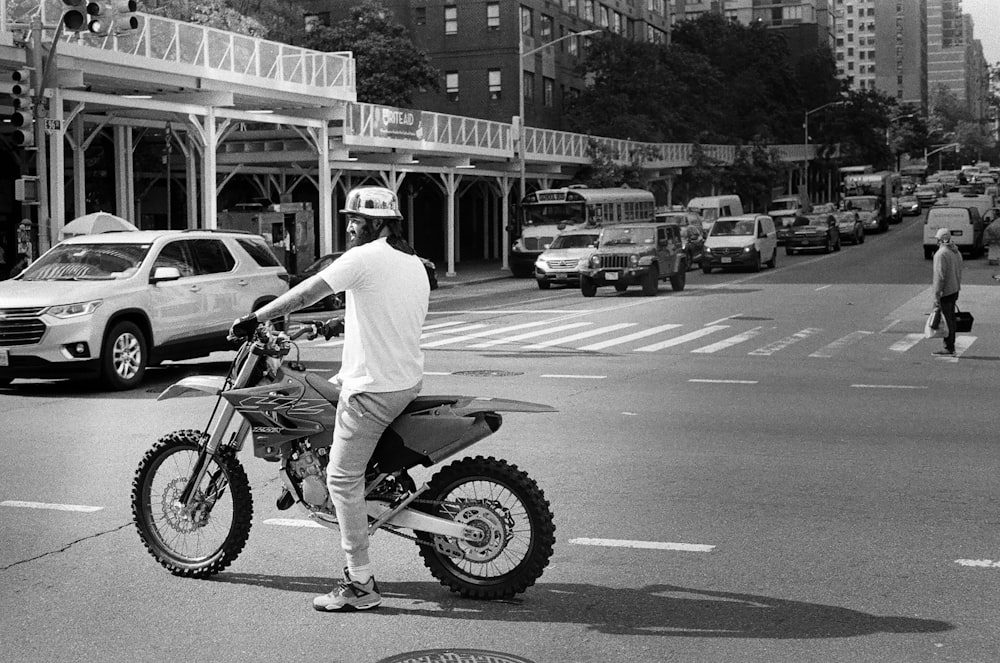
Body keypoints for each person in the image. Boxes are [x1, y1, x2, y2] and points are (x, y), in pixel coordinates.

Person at [229, 186, 430, 611]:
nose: (349, 225)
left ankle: (361, 583)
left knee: (340, 479)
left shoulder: (362, 257)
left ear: (378, 223)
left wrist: (254, 319)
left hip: (373, 389)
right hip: (404, 380)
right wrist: (325, 328)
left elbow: (306, 293)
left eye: (356, 218)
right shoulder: (409, 261)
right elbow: (382, 310)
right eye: (347, 218)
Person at [931, 227, 963, 357]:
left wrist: (936, 295)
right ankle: (951, 345)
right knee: (951, 318)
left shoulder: (941, 254)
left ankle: (948, 347)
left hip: (945, 291)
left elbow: (939, 277)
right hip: (954, 288)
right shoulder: (956, 252)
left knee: (946, 319)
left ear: (940, 240)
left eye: (937, 239)